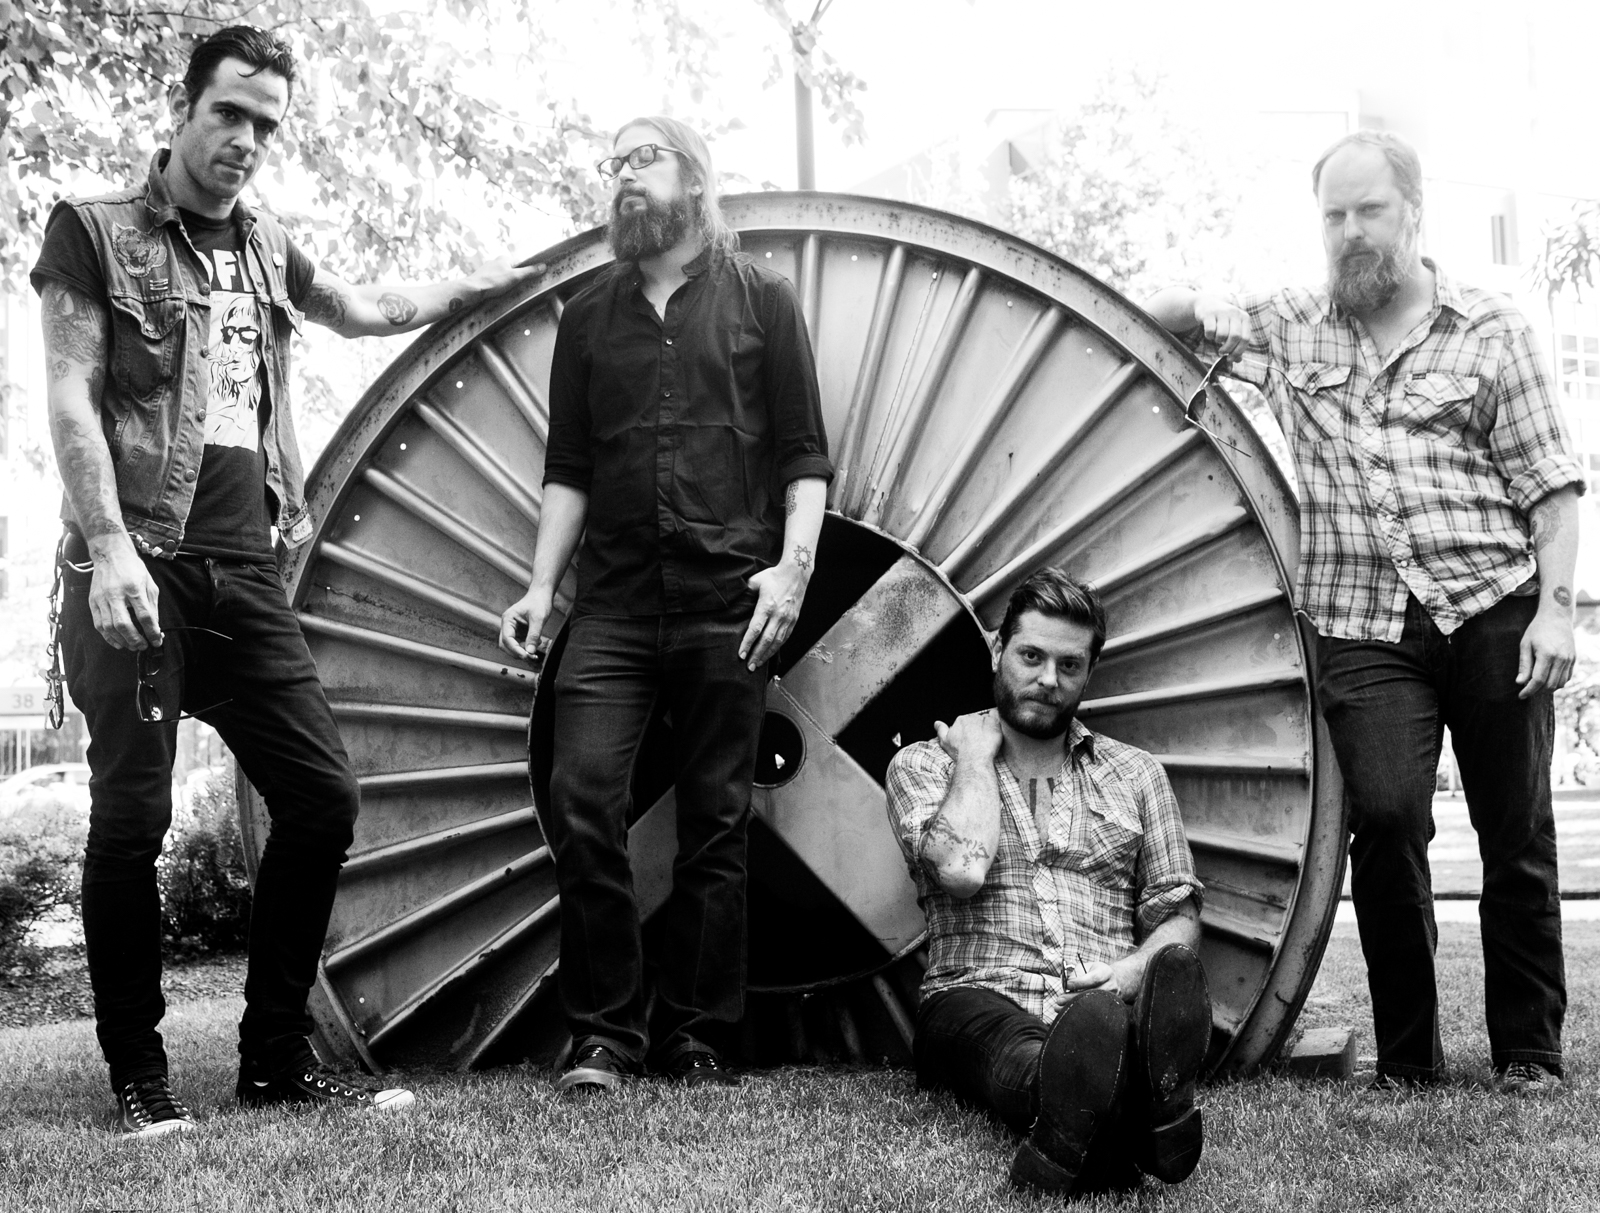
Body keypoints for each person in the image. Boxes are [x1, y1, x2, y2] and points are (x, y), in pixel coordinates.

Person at [32, 25, 541, 1138]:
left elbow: (356, 307)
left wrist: (473, 286)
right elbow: (69, 393)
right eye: (229, 113)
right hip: (138, 562)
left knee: (320, 798)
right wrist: (109, 547)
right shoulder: (93, 231)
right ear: (182, 109)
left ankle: (273, 1058)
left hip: (244, 567)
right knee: (133, 817)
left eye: (266, 123)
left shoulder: (263, 244)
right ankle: (138, 1073)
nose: (246, 139)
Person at [1146, 130, 1578, 1095]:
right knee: (1384, 821)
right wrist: (1184, 302)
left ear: (1414, 212)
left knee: (1516, 831)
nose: (1349, 231)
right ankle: (1411, 1059)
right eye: (1333, 214)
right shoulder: (1290, 324)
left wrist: (1555, 613)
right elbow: (1165, 316)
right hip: (1362, 623)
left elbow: (1550, 485)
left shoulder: (1492, 328)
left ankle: (1529, 1050)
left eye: (1368, 210)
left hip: (1493, 608)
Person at [496, 117, 831, 1092]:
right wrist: (540, 585)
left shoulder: (763, 298)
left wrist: (793, 570)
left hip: (729, 600)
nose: (624, 177)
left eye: (643, 158)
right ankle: (605, 1036)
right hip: (611, 607)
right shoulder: (587, 318)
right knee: (582, 801)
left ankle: (696, 1038)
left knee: (716, 822)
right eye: (615, 165)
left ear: (696, 175)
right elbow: (569, 469)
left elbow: (804, 457)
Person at [885, 569, 1209, 1197]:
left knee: (1114, 1020)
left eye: (1069, 665)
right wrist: (974, 758)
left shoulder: (1138, 774)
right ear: (997, 650)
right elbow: (961, 871)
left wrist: (1129, 975)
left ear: (1090, 672)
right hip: (974, 999)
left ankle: (1082, 1121)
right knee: (1019, 1048)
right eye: (1031, 656)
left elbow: (1179, 913)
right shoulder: (923, 765)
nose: (1049, 680)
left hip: (1104, 1004)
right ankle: (1140, 1110)